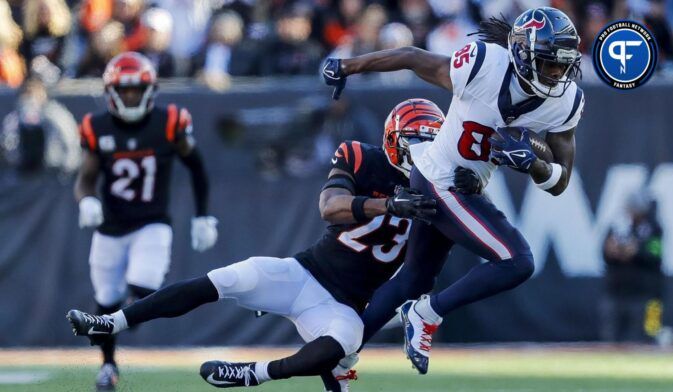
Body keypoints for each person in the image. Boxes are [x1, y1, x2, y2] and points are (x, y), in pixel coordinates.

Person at [67, 99, 482, 390]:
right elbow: (330, 206)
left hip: (344, 304)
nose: (424, 153)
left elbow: (476, 238)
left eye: (433, 142)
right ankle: (112, 322)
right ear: (394, 140)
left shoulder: (443, 189)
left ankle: (253, 374)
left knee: (346, 341)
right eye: (416, 142)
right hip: (305, 273)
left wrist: (472, 186)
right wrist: (389, 203)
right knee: (226, 278)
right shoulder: (361, 156)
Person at [323, 7, 585, 374]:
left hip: (459, 184)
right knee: (517, 260)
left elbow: (560, 181)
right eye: (548, 64)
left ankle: (337, 355)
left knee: (413, 280)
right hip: (439, 180)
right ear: (523, 54)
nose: (557, 74)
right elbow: (412, 57)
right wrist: (348, 66)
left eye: (563, 65)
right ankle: (426, 314)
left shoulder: (566, 101)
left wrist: (535, 164)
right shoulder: (483, 65)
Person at [71, 52, 218, 391]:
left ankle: (127, 318)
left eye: (136, 90)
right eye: (124, 91)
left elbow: (196, 166)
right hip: (110, 227)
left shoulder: (169, 122)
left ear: (150, 90)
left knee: (145, 284)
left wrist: (203, 215)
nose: (131, 97)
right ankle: (108, 366)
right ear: (111, 93)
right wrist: (87, 200)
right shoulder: (97, 126)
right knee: (106, 300)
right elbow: (85, 177)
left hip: (152, 222)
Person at [600, 189, 664, 343]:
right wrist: (612, 251)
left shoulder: (654, 228)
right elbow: (604, 252)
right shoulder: (616, 227)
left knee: (649, 335)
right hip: (616, 292)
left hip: (649, 295)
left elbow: (656, 255)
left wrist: (637, 251)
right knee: (610, 337)